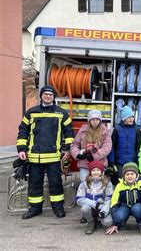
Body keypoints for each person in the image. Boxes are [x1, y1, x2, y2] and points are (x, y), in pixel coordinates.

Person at [16, 85, 75, 219]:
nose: (48, 96)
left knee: (56, 183)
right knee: (34, 183)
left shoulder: (61, 113)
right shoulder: (31, 112)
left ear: (54, 97)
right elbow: (23, 131)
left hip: (53, 157)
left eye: (50, 95)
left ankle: (58, 208)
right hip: (34, 157)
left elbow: (70, 133)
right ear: (41, 96)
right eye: (46, 94)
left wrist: (67, 149)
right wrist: (21, 149)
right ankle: (35, 208)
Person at [106, 162, 141, 235]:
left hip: (138, 206)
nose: (130, 176)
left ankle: (140, 222)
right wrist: (115, 223)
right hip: (124, 206)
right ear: (124, 175)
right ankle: (122, 222)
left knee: (137, 209)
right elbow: (114, 202)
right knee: (119, 216)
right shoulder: (119, 185)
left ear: (136, 175)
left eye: (132, 174)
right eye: (127, 174)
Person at [71, 110, 112, 182]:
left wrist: (94, 156)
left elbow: (107, 147)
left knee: (99, 185)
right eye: (93, 119)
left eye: (97, 119)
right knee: (84, 184)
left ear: (100, 120)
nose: (95, 121)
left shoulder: (105, 131)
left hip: (99, 164)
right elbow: (74, 144)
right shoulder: (82, 130)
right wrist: (77, 154)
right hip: (84, 164)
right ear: (89, 120)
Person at [76, 160, 114, 234]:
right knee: (84, 208)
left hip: (102, 207)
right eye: (93, 170)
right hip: (91, 207)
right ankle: (91, 223)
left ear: (102, 171)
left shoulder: (107, 183)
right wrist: (95, 204)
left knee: (108, 222)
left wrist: (104, 209)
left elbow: (109, 198)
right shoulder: (84, 184)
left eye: (98, 170)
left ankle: (99, 219)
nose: (96, 172)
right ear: (90, 172)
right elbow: (79, 199)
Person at [108, 106, 141, 176]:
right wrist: (111, 162)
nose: (131, 119)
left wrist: (138, 162)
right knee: (119, 181)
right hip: (119, 163)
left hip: (132, 162)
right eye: (129, 117)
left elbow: (139, 148)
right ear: (124, 118)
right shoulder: (117, 129)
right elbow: (112, 146)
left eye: (132, 117)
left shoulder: (136, 130)